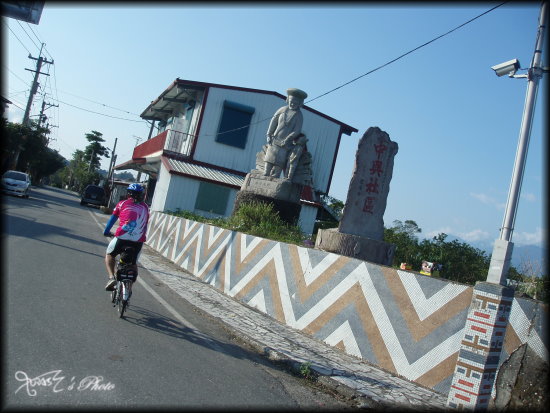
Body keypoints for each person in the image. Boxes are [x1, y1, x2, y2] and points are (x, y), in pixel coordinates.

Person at [103, 183, 149, 291]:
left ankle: (111, 278)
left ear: (128, 193)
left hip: (121, 238)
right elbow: (145, 224)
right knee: (133, 264)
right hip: (138, 241)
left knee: (110, 255)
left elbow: (112, 221)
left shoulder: (121, 204)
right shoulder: (146, 207)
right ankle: (128, 290)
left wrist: (106, 232)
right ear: (141, 194)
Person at [263, 88, 307, 177]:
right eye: (291, 101)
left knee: (279, 162)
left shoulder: (299, 115)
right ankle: (266, 173)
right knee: (269, 159)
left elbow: (297, 130)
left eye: (295, 102)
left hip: (285, 144)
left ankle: (275, 176)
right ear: (287, 100)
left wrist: (288, 139)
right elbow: (273, 121)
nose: (292, 104)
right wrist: (269, 134)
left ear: (300, 103)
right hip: (274, 140)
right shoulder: (282, 110)